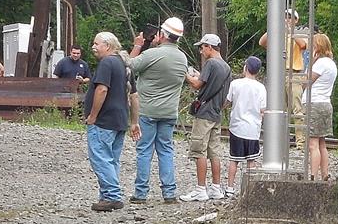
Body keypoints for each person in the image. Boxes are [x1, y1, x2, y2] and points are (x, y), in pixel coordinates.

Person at [126, 17, 190, 204]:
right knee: (166, 151)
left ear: (162, 34)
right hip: (169, 112)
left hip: (147, 110)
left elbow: (128, 67)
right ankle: (169, 193)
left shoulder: (152, 54)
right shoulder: (182, 58)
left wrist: (138, 46)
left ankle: (141, 193)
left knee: (144, 151)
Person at [83, 31, 129, 211]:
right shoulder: (122, 63)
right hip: (120, 118)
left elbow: (101, 90)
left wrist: (93, 116)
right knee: (111, 160)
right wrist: (133, 120)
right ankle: (106, 196)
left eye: (96, 44)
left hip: (104, 119)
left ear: (107, 46)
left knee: (100, 158)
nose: (93, 47)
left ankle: (112, 195)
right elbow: (133, 94)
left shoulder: (107, 63)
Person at [182, 34, 231, 201]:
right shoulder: (226, 66)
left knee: (199, 150)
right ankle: (216, 188)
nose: (201, 50)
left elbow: (197, 84)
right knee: (214, 151)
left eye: (202, 47)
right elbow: (223, 94)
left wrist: (185, 75)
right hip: (216, 114)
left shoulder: (211, 63)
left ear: (210, 47)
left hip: (204, 113)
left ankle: (200, 189)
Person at [258, 9, 310, 144]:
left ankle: (300, 141)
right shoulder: (277, 34)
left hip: (295, 73)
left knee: (297, 108)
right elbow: (262, 42)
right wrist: (273, 26)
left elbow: (303, 45)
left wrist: (290, 31)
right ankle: (280, 140)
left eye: (289, 17)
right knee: (279, 108)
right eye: (285, 17)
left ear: (296, 20)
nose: (286, 19)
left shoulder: (301, 33)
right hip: (279, 74)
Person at [224, 56, 267, 193]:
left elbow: (227, 101)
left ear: (246, 67)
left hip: (237, 127)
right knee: (251, 161)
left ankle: (230, 188)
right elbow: (263, 109)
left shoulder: (235, 84)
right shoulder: (261, 88)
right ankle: (249, 190)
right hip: (253, 128)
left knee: (234, 160)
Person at [302, 33, 337, 181]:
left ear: (318, 46)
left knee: (312, 144)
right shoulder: (331, 63)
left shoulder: (320, 63)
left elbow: (307, 81)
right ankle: (325, 173)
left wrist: (310, 63)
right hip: (325, 103)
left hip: (314, 104)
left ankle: (312, 175)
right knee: (322, 142)